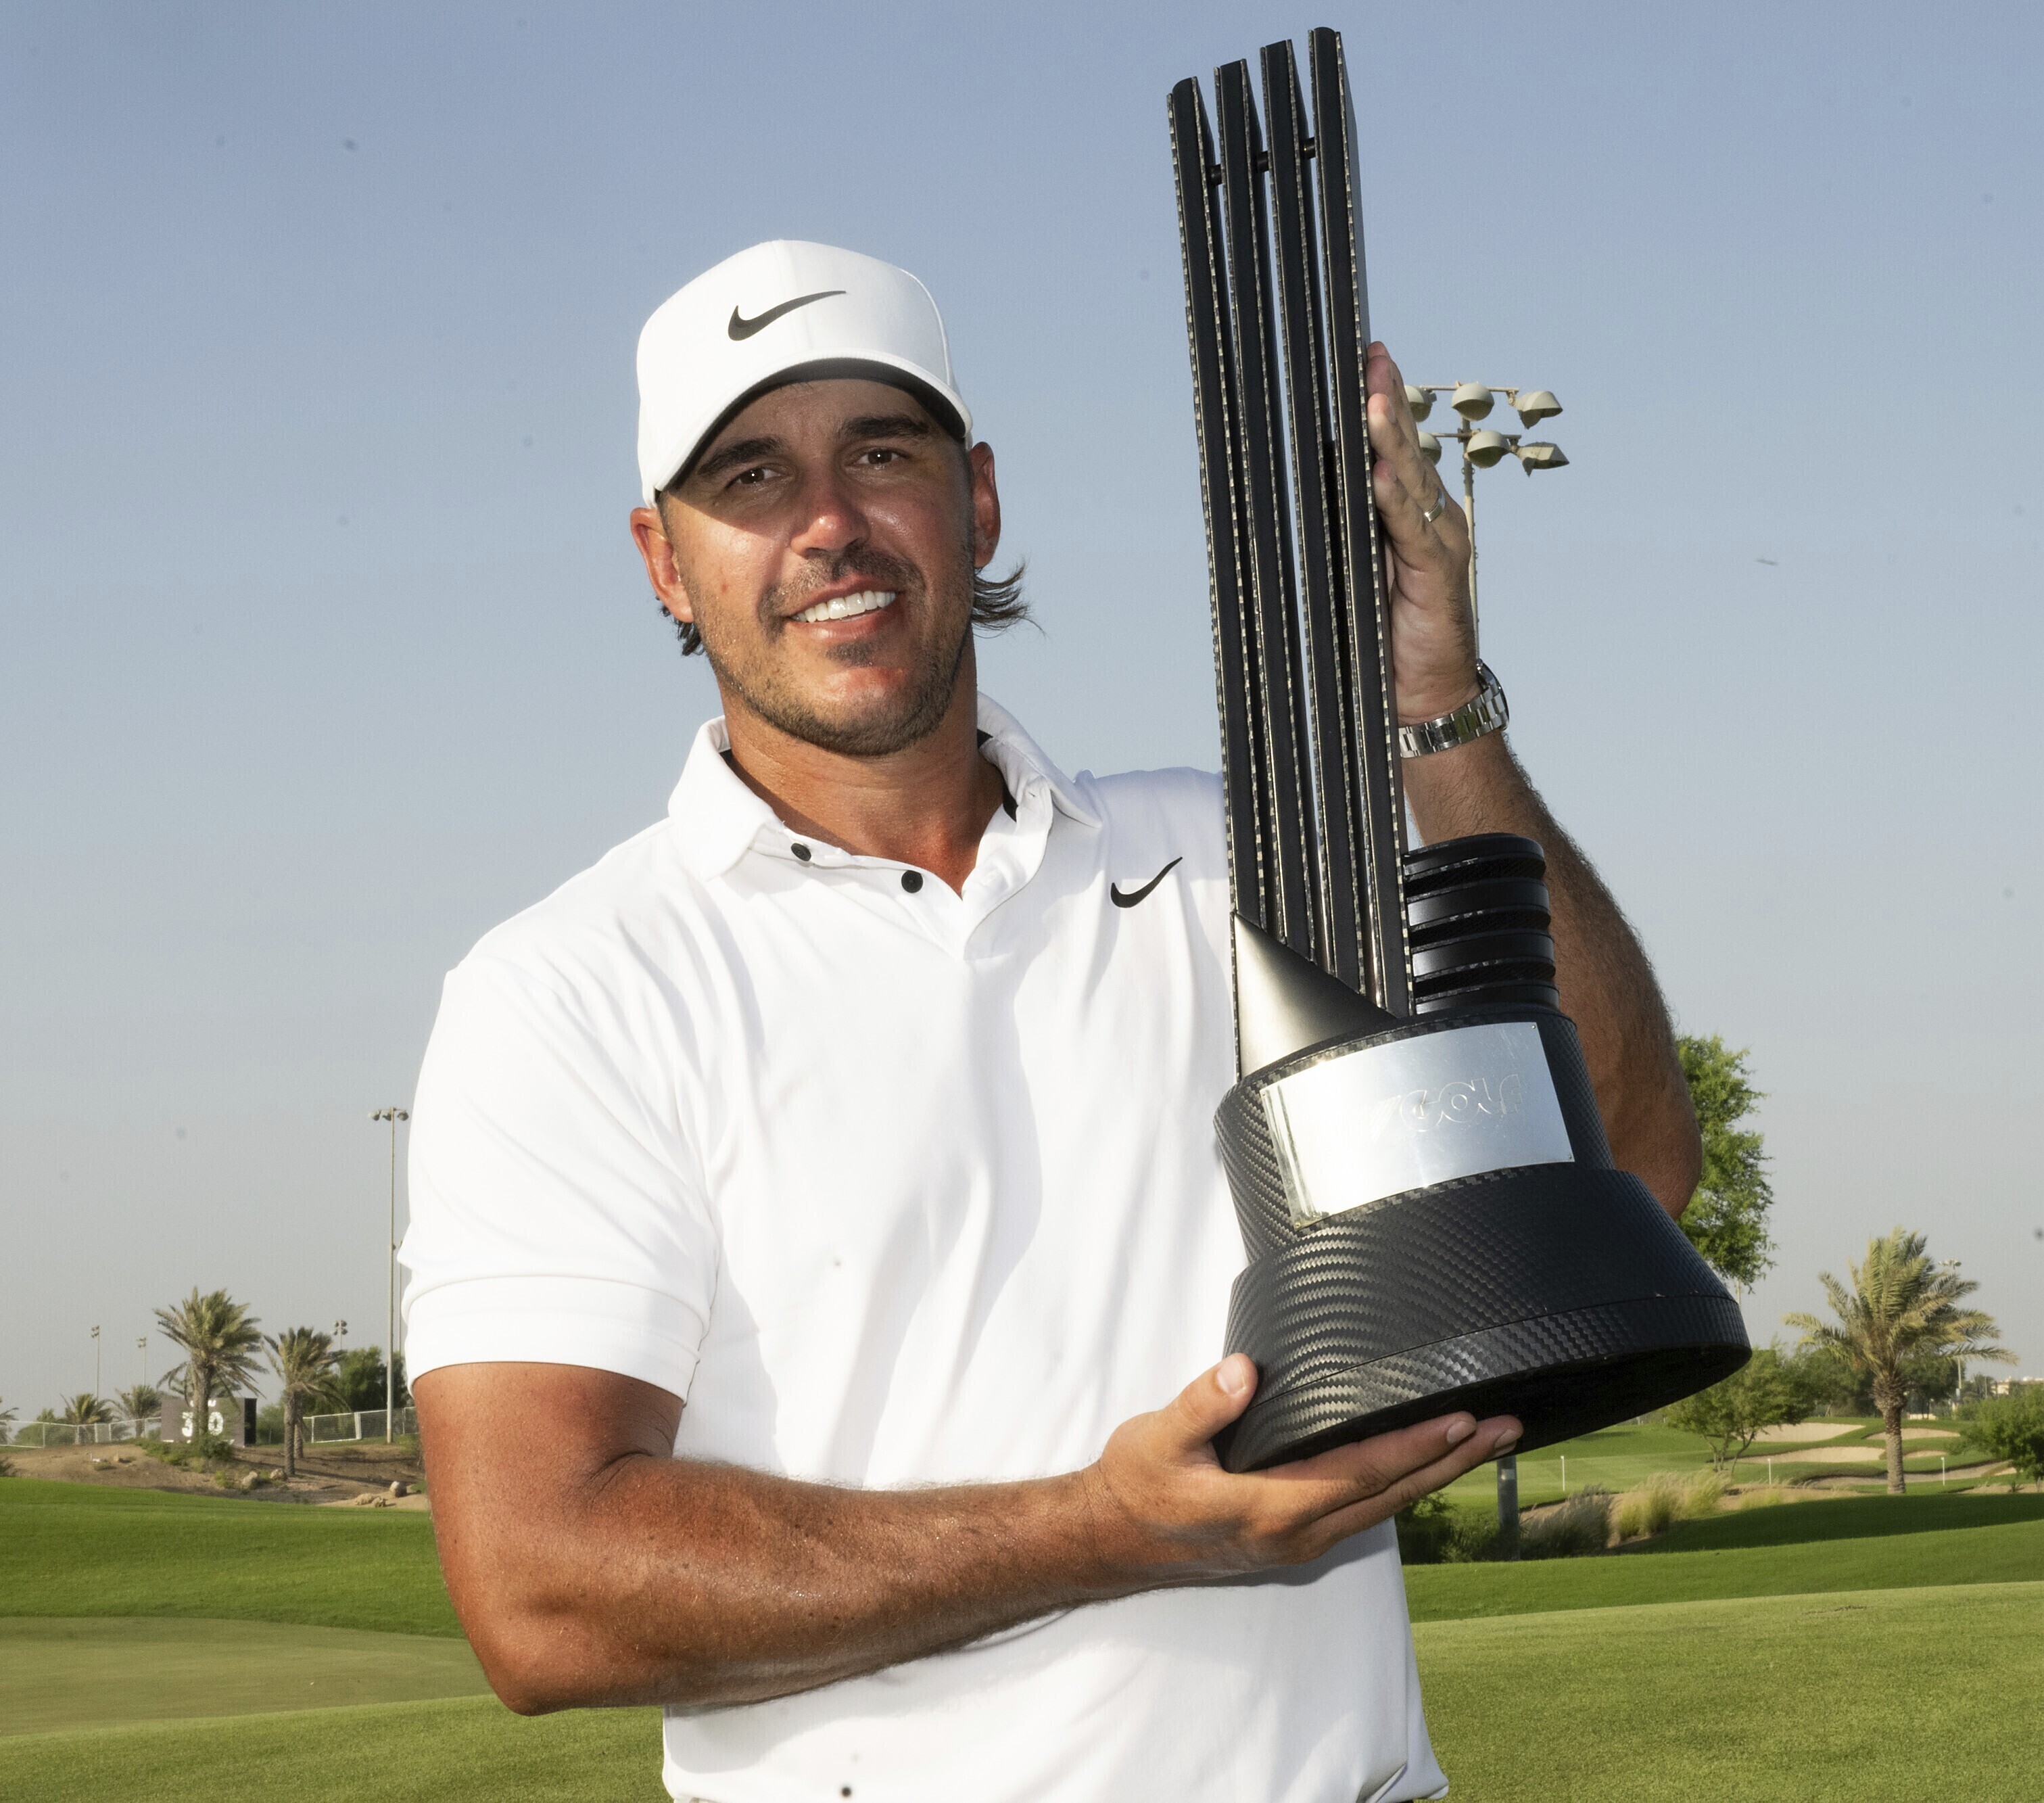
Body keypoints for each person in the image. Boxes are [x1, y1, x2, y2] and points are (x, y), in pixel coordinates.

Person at [404, 240, 1700, 1803]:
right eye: (749, 477)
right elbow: (541, 1589)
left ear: (981, 500)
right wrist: (1107, 1526)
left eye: (881, 453)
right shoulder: (571, 989)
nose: (826, 522)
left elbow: (1622, 1172)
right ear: (663, 562)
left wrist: (1431, 706)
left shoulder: (1252, 854)